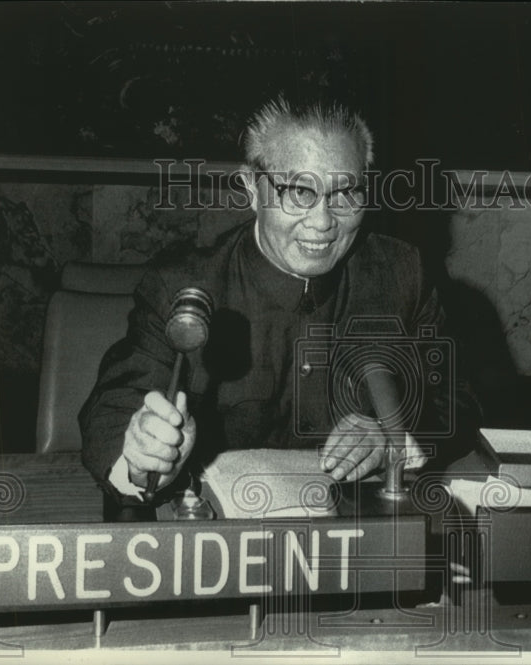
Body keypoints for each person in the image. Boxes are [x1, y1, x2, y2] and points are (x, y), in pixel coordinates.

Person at [79, 96, 474, 502]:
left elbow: (456, 397)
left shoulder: (400, 273)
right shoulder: (183, 285)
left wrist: (393, 430)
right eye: (299, 191)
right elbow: (110, 416)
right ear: (252, 187)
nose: (323, 223)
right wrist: (144, 455)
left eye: (345, 194)